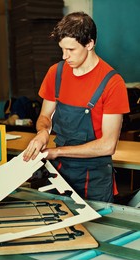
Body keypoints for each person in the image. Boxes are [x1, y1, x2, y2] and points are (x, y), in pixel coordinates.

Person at [23, 11, 130, 202]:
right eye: (62, 49)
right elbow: (45, 117)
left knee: (96, 231)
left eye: (71, 50)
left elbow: (108, 145)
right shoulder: (56, 73)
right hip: (59, 172)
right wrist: (42, 133)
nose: (65, 56)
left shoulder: (113, 83)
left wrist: (56, 152)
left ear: (89, 44)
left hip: (94, 178)